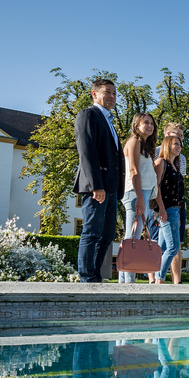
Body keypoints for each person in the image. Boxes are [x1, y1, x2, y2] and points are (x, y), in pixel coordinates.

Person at [73, 79, 125, 282]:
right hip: (98, 187)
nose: (112, 96)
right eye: (107, 92)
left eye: (114, 93)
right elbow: (87, 152)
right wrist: (97, 185)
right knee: (92, 232)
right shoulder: (88, 115)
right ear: (94, 94)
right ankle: (86, 277)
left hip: (111, 188)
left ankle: (94, 276)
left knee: (107, 235)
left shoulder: (109, 121)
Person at [118, 113, 159, 283]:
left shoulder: (145, 146)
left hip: (142, 192)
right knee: (132, 236)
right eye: (146, 123)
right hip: (136, 192)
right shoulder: (134, 142)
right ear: (136, 125)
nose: (150, 126)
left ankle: (123, 278)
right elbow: (134, 170)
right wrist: (141, 198)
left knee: (131, 234)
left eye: (152, 123)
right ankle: (129, 279)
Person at [148, 123, 187, 284]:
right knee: (172, 248)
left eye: (180, 142)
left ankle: (160, 279)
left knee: (163, 247)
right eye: (176, 142)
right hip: (164, 210)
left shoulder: (176, 164)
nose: (179, 145)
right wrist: (161, 210)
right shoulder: (160, 162)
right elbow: (155, 187)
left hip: (174, 210)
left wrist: (178, 212)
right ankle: (159, 279)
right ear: (167, 141)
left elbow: (179, 191)